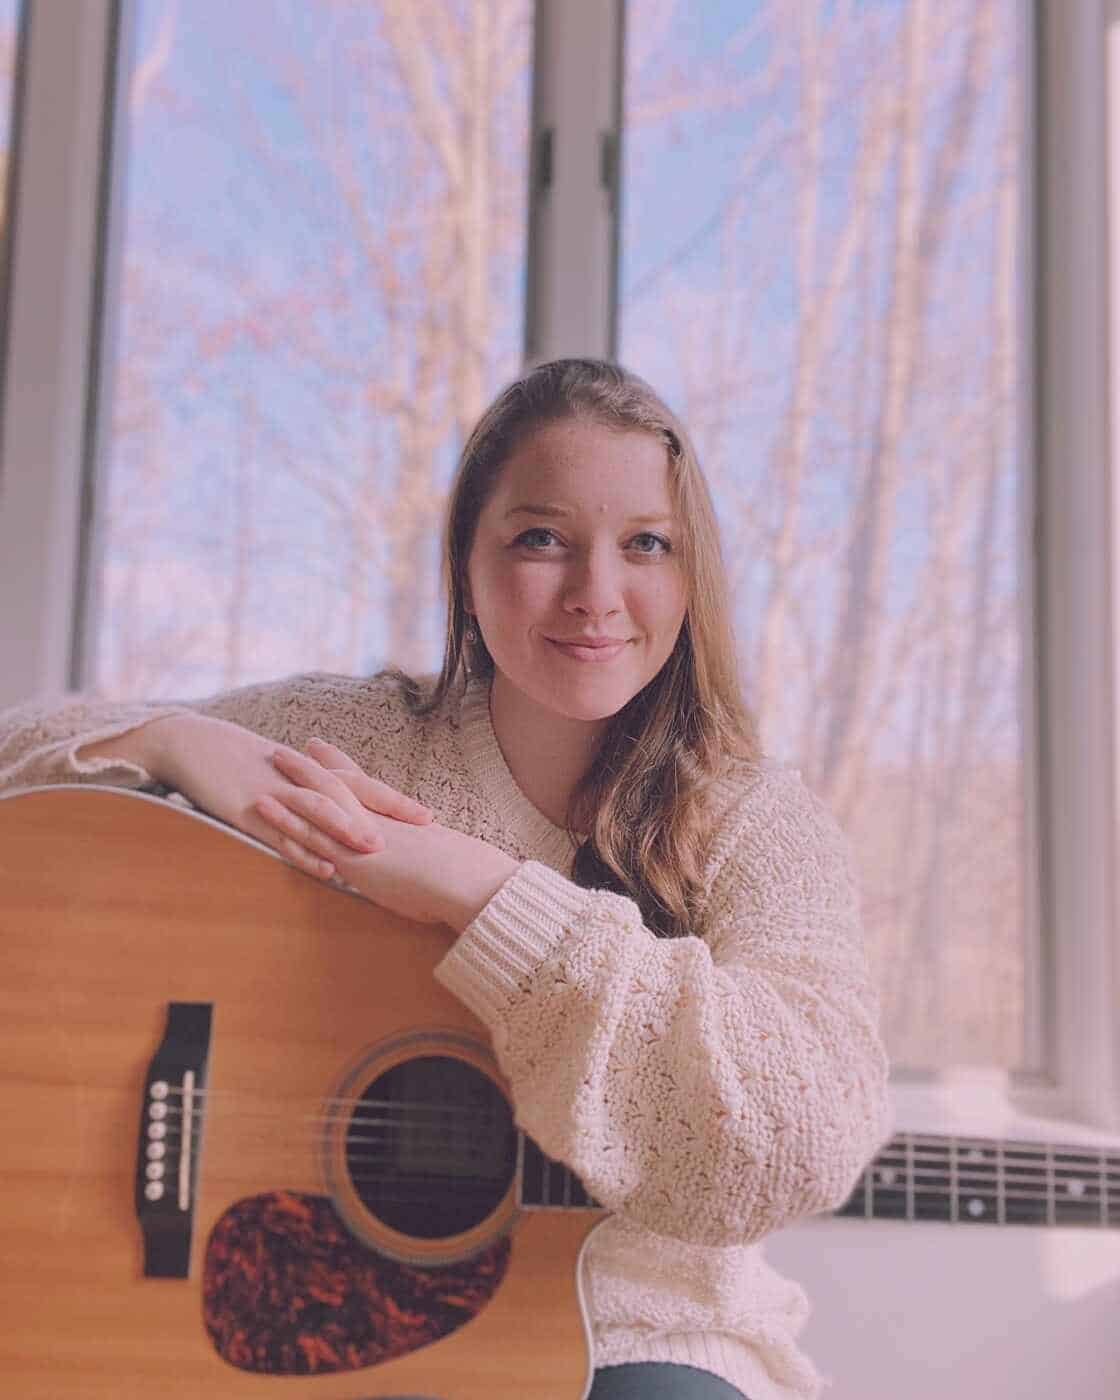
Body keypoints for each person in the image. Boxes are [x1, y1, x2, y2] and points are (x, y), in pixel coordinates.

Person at [0, 357, 892, 1400]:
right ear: (466, 564)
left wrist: (478, 889)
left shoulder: (757, 824)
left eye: (646, 544)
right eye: (541, 538)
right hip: (323, 1314)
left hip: (648, 1336)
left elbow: (806, 1131)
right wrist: (170, 739)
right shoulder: (345, 739)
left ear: (692, 576)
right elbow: (24, 765)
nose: (595, 594)